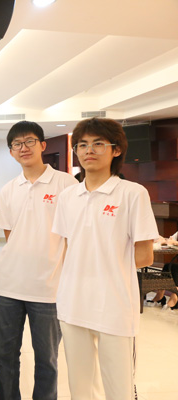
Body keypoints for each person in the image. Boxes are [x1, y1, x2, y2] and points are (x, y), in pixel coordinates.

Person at [52, 117, 158, 399]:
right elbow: (67, 248)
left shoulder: (132, 194)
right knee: (80, 386)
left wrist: (105, 264)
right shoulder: (68, 196)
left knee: (119, 387)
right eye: (82, 145)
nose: (89, 150)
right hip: (73, 302)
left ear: (116, 150)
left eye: (98, 144)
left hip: (115, 304)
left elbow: (145, 255)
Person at [0, 121, 78, 400]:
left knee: (47, 360)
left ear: (42, 145)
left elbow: (74, 236)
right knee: (3, 356)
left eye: (29, 141)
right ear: (11, 152)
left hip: (49, 288)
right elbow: (11, 236)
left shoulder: (66, 184)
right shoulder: (8, 189)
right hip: (9, 286)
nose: (24, 148)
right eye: (17, 144)